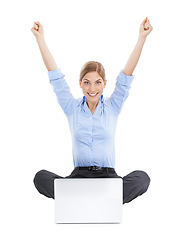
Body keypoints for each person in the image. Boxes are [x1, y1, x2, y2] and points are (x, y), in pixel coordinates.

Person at [31, 17, 153, 203]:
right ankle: (98, 200)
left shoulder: (113, 107)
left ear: (104, 84)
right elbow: (55, 77)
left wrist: (141, 38)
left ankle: (85, 200)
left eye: (97, 83)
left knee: (142, 178)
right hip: (78, 179)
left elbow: (126, 75)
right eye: (87, 83)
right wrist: (40, 39)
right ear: (80, 84)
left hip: (108, 178)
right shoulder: (71, 108)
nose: (92, 88)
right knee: (40, 177)